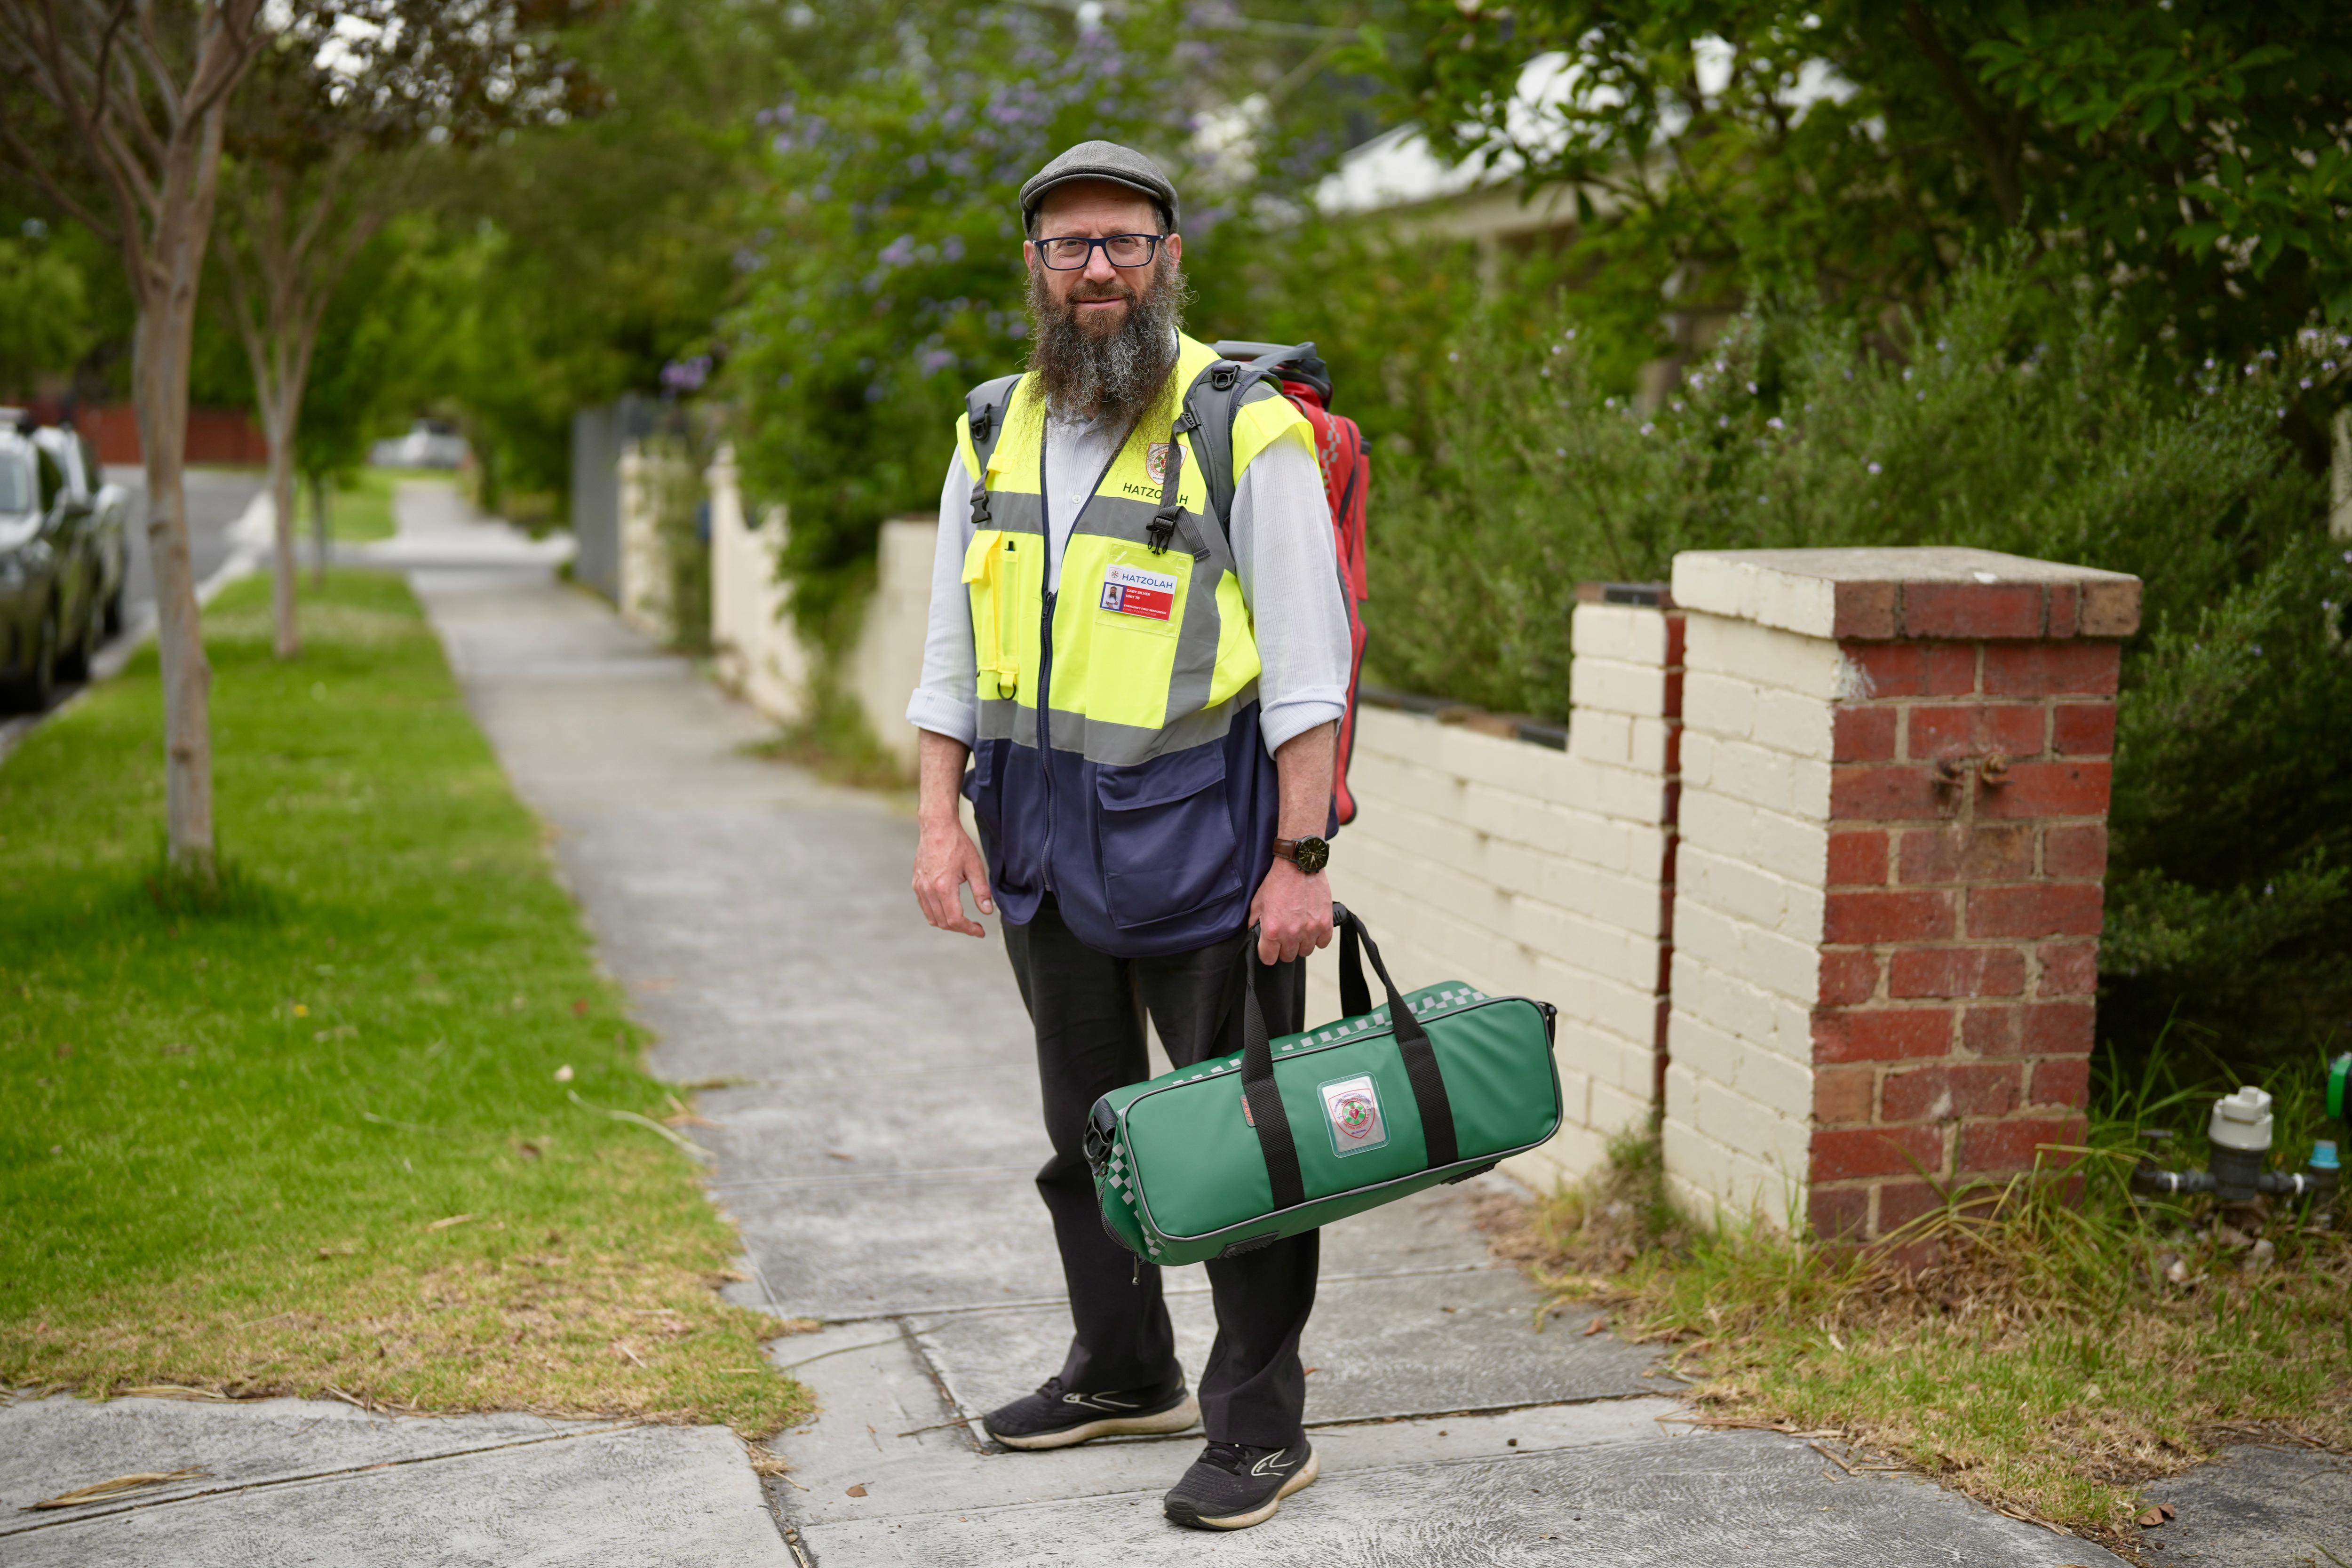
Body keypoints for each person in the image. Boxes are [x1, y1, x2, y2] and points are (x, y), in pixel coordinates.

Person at [905, 140, 1352, 1531]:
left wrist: (1300, 861)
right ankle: (1122, 1366)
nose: (1095, 269)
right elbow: (948, 650)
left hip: (1208, 860)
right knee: (1084, 1136)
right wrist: (938, 819)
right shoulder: (993, 428)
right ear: (1031, 268)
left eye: (1121, 242)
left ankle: (1260, 1429)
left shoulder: (1244, 427)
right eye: (1066, 246)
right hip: (1040, 852)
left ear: (1169, 255)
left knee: (1238, 1146)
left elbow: (1310, 672)